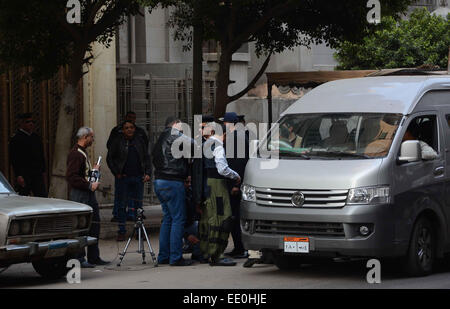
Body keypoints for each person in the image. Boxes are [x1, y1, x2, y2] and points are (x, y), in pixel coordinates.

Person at [152, 116, 195, 266]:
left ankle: (163, 256)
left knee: (168, 219)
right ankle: (176, 257)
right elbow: (195, 145)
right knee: (178, 219)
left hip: (159, 181)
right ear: (175, 124)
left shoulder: (160, 138)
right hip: (173, 181)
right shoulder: (175, 134)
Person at [199, 122, 241, 266]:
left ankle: (206, 252)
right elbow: (222, 169)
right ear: (223, 134)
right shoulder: (217, 145)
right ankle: (217, 255)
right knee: (222, 218)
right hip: (217, 185)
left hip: (208, 184)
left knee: (209, 218)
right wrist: (236, 176)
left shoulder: (205, 145)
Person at [66, 127, 109, 268]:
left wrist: (94, 171)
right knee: (81, 227)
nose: (93, 140)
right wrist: (89, 186)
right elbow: (72, 177)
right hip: (80, 194)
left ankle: (94, 256)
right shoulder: (75, 154)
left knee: (94, 225)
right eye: (92, 137)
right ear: (85, 137)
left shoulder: (83, 153)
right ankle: (79, 258)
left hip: (87, 193)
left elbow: (83, 174)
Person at [106, 120, 152, 241]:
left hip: (138, 178)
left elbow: (146, 158)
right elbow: (110, 158)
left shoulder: (139, 141)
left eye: (131, 127)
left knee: (139, 206)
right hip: (124, 178)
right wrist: (117, 173)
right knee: (122, 206)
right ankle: (121, 231)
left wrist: (147, 173)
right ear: (123, 130)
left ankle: (139, 231)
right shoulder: (118, 141)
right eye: (127, 128)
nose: (129, 130)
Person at [222, 113, 250, 259]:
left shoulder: (236, 138)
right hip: (237, 182)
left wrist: (235, 185)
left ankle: (241, 247)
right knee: (235, 216)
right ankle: (239, 247)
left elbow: (238, 163)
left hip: (235, 184)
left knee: (235, 216)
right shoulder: (238, 136)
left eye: (225, 122)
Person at [9, 113, 47, 197]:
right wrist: (18, 175)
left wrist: (43, 171)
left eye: (32, 122)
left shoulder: (36, 137)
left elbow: (41, 156)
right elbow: (14, 159)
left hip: (37, 174)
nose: (31, 124)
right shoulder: (16, 138)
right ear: (21, 123)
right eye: (27, 122)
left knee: (42, 196)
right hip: (25, 175)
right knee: (24, 197)